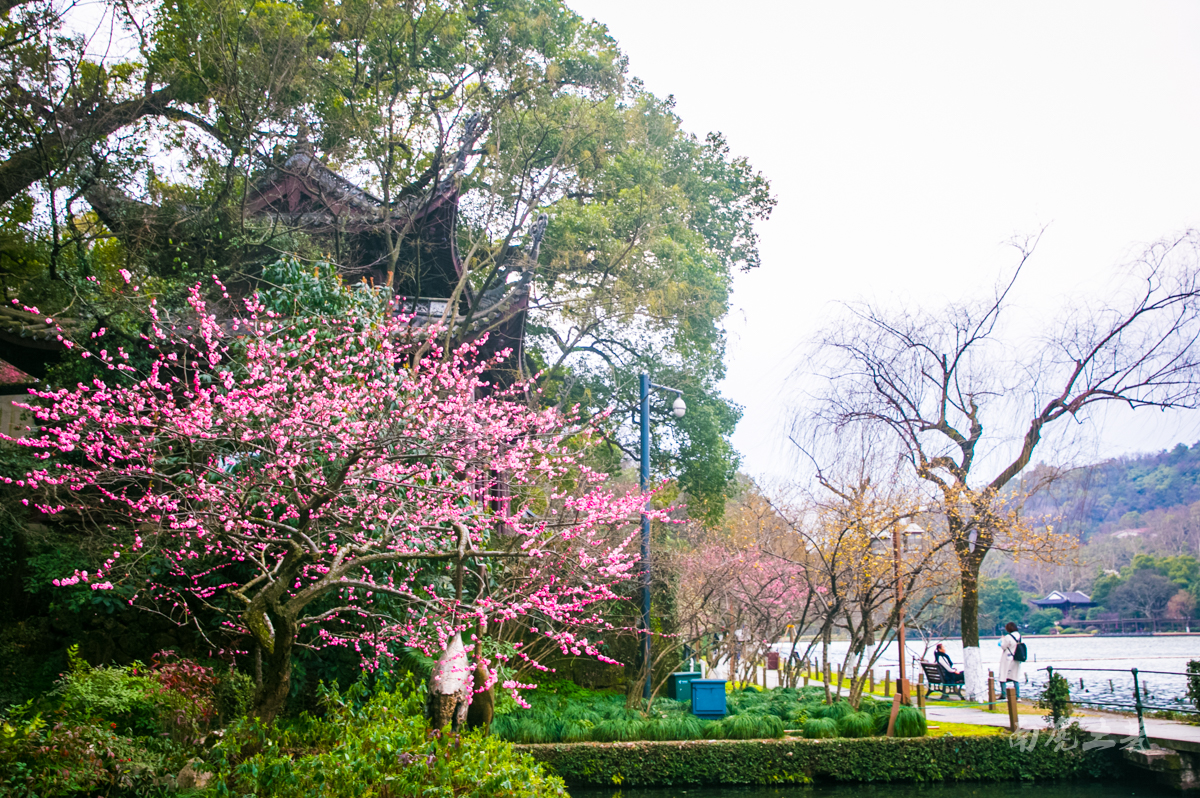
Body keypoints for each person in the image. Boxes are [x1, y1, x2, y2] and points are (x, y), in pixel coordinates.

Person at [998, 621, 1023, 697]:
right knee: (1015, 676)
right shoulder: (1019, 636)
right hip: (1016, 657)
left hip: (1007, 657)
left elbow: (1003, 646)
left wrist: (1002, 640)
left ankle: (1003, 694)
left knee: (1003, 675)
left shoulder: (1008, 637)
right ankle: (1017, 695)